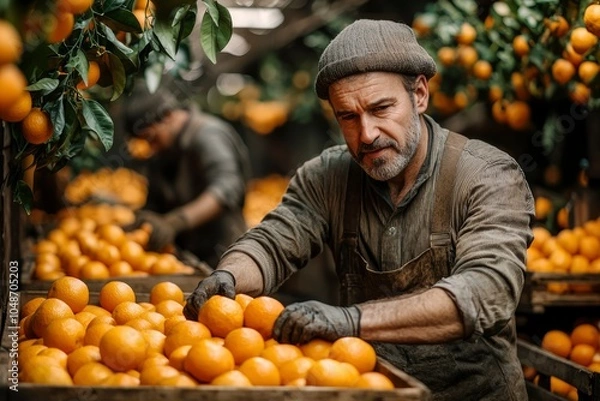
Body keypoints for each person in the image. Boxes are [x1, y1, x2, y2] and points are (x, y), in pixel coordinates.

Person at [183, 19, 534, 401]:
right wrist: (229, 276)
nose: (366, 134)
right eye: (347, 117)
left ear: (419, 94)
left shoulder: (486, 176)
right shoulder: (327, 177)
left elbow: (485, 291)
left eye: (381, 108)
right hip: (370, 387)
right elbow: (272, 242)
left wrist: (351, 320)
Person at [122, 80, 251, 268]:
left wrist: (176, 221)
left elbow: (227, 189)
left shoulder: (208, 135)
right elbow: (157, 202)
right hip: (183, 260)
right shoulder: (164, 151)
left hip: (223, 257)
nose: (151, 147)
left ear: (166, 116)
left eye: (151, 138)